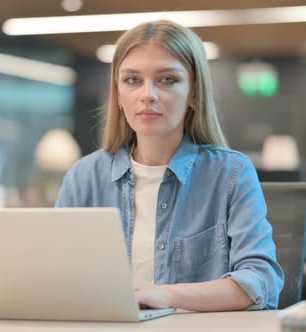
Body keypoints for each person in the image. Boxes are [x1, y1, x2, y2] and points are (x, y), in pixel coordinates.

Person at [55, 20, 284, 311]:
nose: (148, 94)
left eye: (167, 80)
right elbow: (58, 279)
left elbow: (260, 281)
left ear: (193, 93)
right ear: (119, 96)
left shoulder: (231, 174)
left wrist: (166, 296)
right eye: (132, 80)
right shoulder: (84, 177)